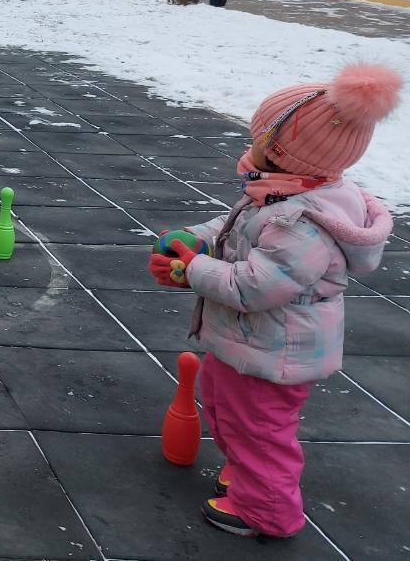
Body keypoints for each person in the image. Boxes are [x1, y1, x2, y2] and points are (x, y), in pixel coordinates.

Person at [146, 64, 401, 539]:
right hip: (248, 344)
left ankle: (267, 513)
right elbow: (235, 231)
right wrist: (196, 240)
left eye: (259, 135)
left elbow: (256, 286)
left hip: (274, 351)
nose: (251, 141)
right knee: (223, 410)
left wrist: (192, 270)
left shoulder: (300, 222)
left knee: (260, 432)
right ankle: (248, 476)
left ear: (281, 151)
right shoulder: (280, 191)